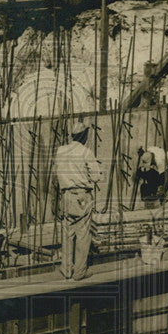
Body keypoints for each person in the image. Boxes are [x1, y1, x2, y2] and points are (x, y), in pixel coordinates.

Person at [54, 119, 103, 280]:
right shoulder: (85, 152)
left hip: (66, 196)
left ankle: (66, 269)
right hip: (81, 196)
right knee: (83, 234)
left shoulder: (60, 151)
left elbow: (57, 173)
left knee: (67, 233)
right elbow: (96, 177)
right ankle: (80, 272)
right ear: (84, 136)